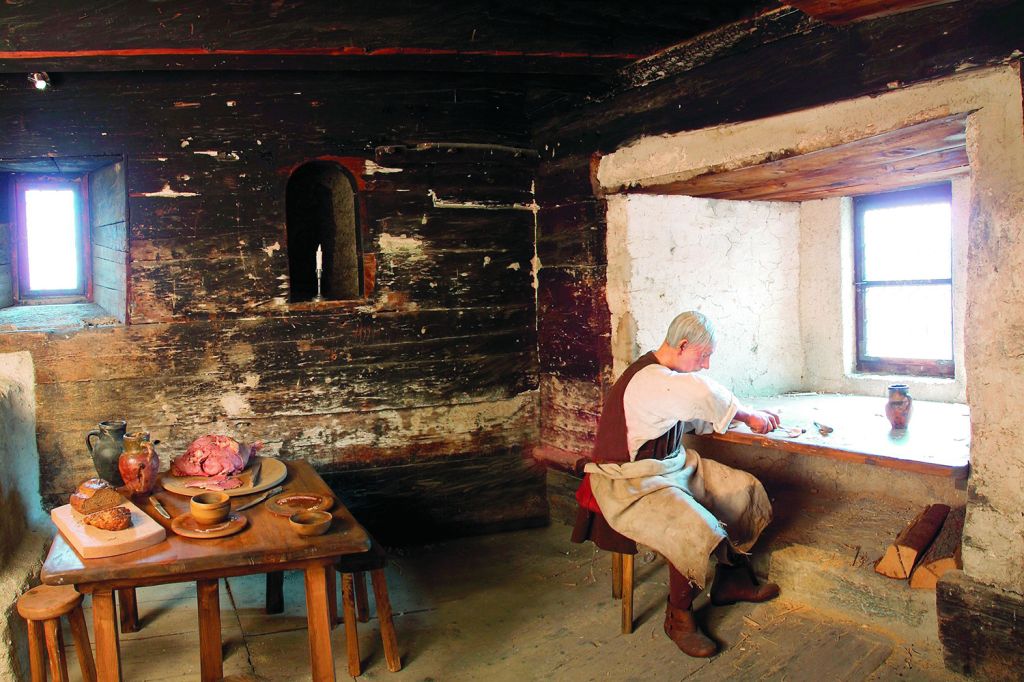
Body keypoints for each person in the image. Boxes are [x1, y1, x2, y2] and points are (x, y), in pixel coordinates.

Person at [571, 310, 781, 657]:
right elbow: (701, 393)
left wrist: (742, 416)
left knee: (742, 489)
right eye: (704, 355)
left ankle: (731, 579)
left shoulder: (668, 377)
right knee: (693, 526)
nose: (707, 364)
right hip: (632, 481)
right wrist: (747, 415)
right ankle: (679, 615)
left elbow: (693, 413)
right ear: (682, 345)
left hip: (671, 467)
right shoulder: (652, 377)